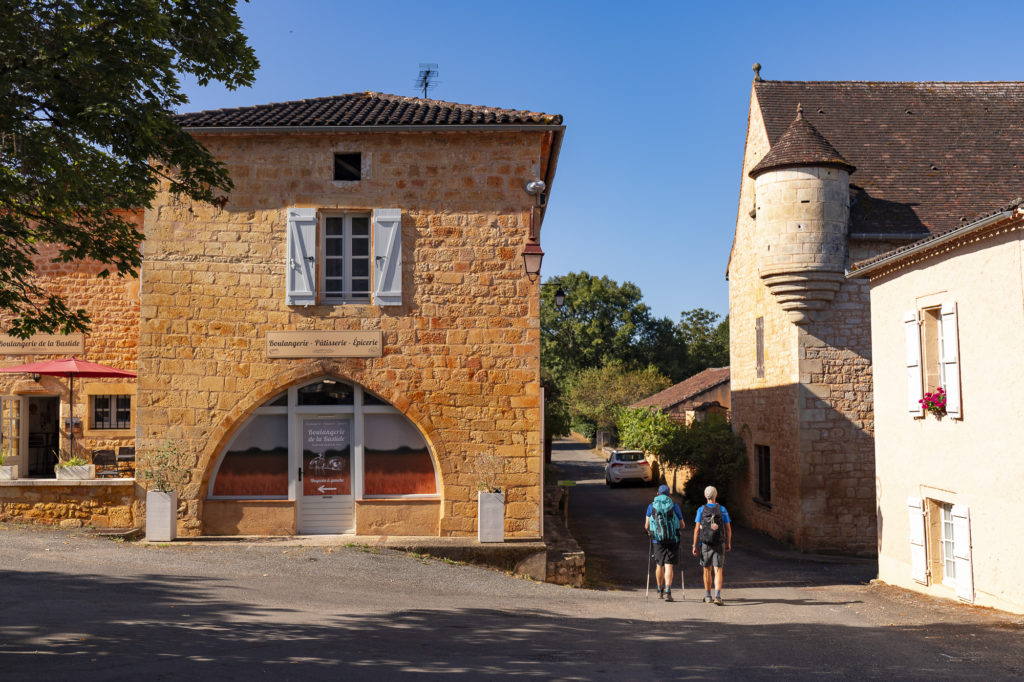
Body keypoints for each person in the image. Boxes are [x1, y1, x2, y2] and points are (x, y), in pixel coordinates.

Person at [692, 485, 732, 605]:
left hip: (705, 543)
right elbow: (728, 529)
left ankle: (708, 596)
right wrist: (728, 542)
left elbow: (697, 530)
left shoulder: (701, 510)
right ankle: (718, 596)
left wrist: (694, 545)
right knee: (718, 569)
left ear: (705, 496)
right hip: (719, 542)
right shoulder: (723, 509)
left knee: (706, 569)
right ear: (716, 495)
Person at [645, 484, 684, 602]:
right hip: (673, 539)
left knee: (659, 565)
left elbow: (646, 526)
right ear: (669, 495)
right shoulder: (675, 506)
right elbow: (682, 525)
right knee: (669, 565)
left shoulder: (651, 506)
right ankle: (668, 591)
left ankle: (659, 589)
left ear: (657, 494)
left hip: (657, 539)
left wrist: (649, 532)